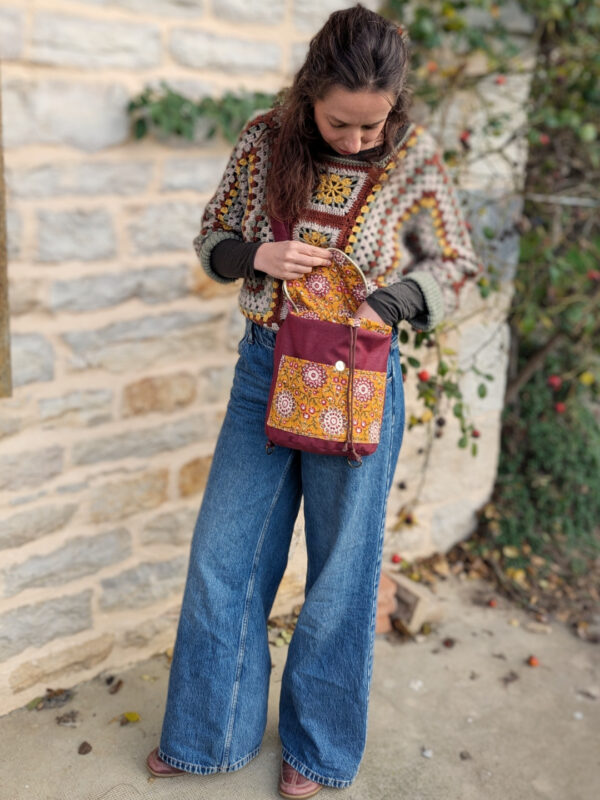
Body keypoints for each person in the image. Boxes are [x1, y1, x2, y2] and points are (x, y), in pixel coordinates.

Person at [146, 5, 481, 797]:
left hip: (360, 384)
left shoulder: (418, 161)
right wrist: (256, 252)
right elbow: (211, 237)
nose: (359, 140)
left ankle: (318, 748)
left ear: (395, 106)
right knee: (224, 558)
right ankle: (207, 734)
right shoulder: (266, 141)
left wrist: (389, 304)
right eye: (341, 123)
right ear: (309, 94)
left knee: (341, 573)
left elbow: (459, 263)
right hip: (265, 371)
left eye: (375, 125)